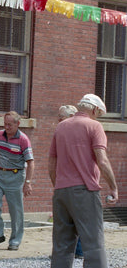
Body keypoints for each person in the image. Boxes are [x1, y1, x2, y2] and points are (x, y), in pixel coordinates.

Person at [48, 94, 119, 268]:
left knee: (61, 245)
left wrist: (58, 185)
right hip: (85, 191)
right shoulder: (94, 126)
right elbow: (102, 160)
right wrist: (113, 187)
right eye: (98, 113)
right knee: (93, 244)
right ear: (94, 109)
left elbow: (51, 162)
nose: (98, 117)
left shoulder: (61, 127)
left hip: (61, 191)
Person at [0, 111, 35, 251]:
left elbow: (31, 163)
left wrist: (28, 183)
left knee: (16, 211)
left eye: (10, 124)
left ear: (18, 124)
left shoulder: (23, 139)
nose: (6, 127)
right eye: (5, 124)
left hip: (16, 177)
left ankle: (15, 241)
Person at [57, 104, 83, 259]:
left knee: (78, 218)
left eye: (61, 117)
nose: (59, 120)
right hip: (64, 181)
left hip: (76, 182)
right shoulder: (61, 133)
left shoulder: (77, 135)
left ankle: (78, 251)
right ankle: (66, 252)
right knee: (64, 220)